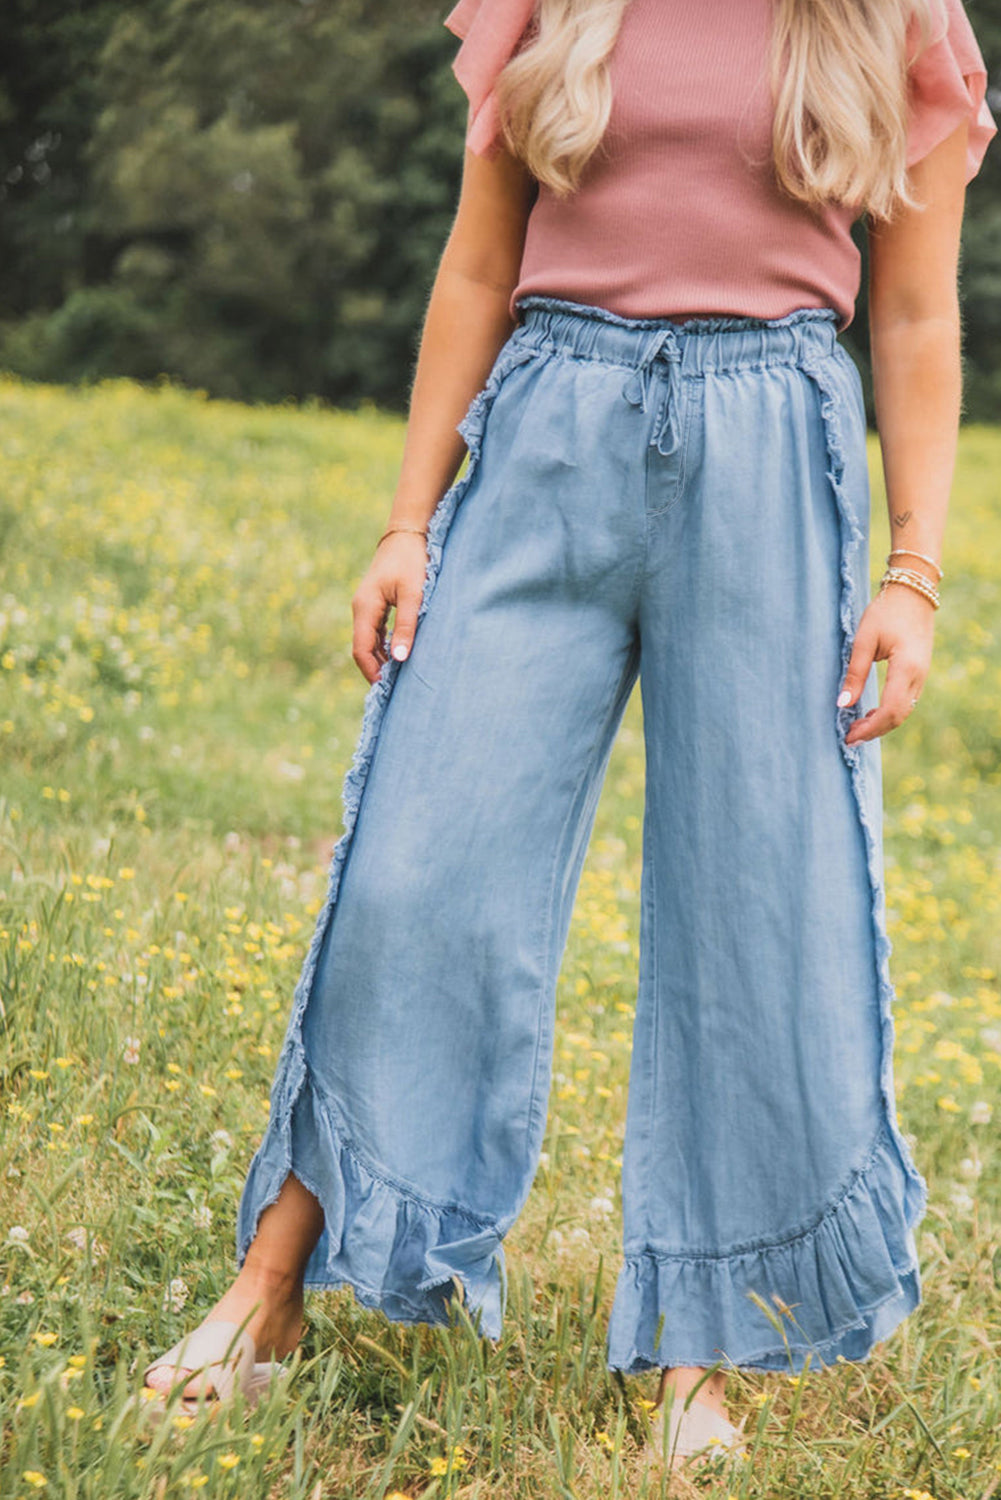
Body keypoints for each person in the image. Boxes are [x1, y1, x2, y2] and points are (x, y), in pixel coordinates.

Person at [143, 0, 996, 1471]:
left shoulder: (886, 19)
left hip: (770, 443)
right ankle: (269, 1288)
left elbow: (915, 313)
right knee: (417, 868)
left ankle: (704, 1357)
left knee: (754, 911)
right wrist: (408, 520)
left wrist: (911, 574)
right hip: (547, 427)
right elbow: (477, 263)